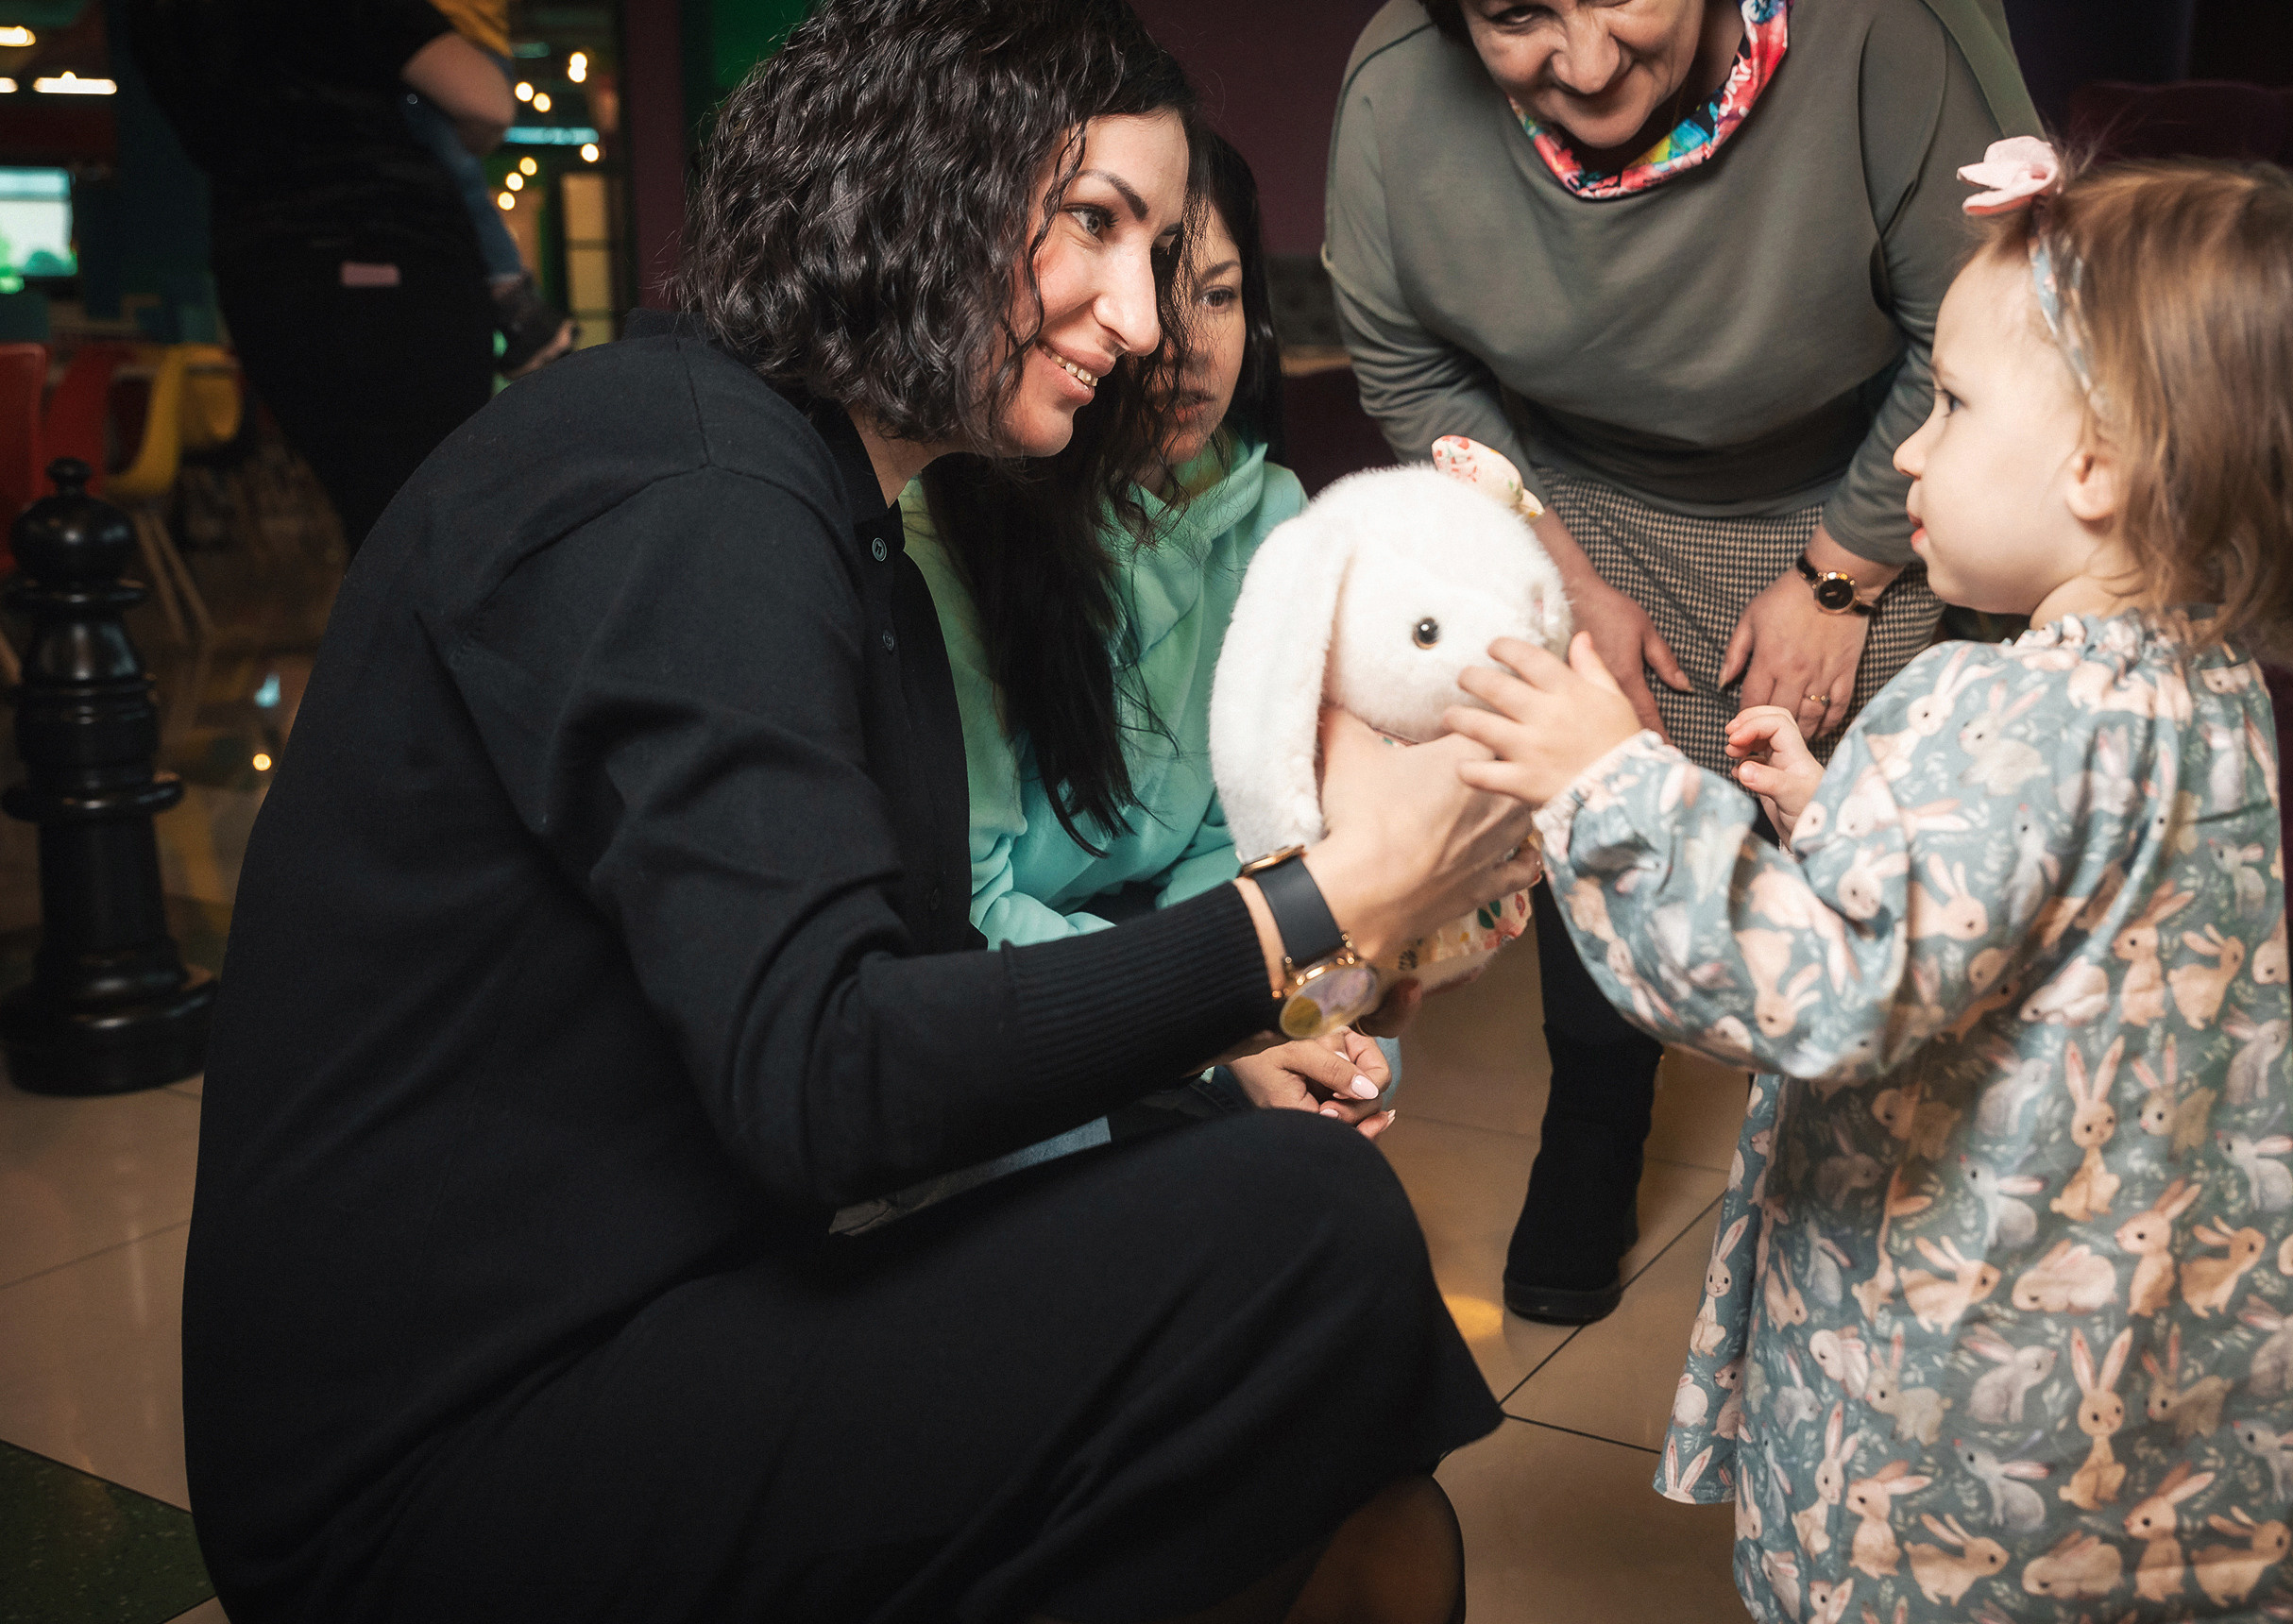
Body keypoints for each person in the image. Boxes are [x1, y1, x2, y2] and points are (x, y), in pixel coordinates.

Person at [178, 4, 1535, 1620]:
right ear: (919, 177)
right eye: (1097, 224)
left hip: (660, 1299)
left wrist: (1217, 1046)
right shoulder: (687, 485)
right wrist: (1320, 904)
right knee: (1308, 1240)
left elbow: (911, 971)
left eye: (1167, 253)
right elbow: (824, 1076)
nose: (1141, 313)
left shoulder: (828, 505)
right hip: (436, 1467)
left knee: (1328, 1395)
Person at [1447, 147, 2293, 1620]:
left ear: (2100, 462)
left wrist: (1606, 781)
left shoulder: (1996, 707)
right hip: (2105, 1385)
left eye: (1951, 406)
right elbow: (2031, 919)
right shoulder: (2203, 693)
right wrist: (1849, 811)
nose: (1908, 453)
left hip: (1944, 1415)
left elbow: (1815, 992)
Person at [1326, 0, 2041, 1326]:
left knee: (1869, 835)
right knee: (1596, 774)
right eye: (1516, 14)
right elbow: (1415, 374)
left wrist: (1844, 569)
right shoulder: (1392, 95)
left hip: (1878, 473)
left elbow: (1991, 328)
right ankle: (1595, 1113)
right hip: (1572, 491)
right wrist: (1561, 576)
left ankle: (1878, 1161)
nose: (1585, 66)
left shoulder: (1887, 38)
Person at [845, 130, 1389, 1231]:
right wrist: (1213, 1028)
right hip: (976, 992)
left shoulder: (1274, 516)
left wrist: (1273, 1022)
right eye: (1153, 289)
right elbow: (966, 902)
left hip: (1145, 967)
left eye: (1224, 296)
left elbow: (1238, 839)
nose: (1184, 344)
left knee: (1348, 1073)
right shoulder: (947, 524)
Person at [131, 0, 512, 556]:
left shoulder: (160, 16)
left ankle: (384, 639)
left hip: (260, 273)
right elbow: (487, 101)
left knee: (374, 520)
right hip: (391, 252)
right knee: (430, 521)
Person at [401, 0, 578, 376]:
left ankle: (523, 311)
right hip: (465, 45)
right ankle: (522, 312)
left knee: (459, 183)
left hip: (457, 44)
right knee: (456, 183)